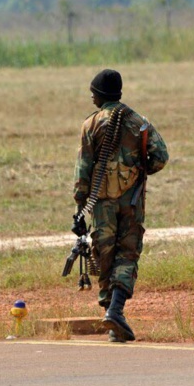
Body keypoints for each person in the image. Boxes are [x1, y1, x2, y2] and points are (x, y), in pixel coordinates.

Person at [72, 69, 169, 342]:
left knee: (105, 255)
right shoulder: (138, 121)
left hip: (101, 204)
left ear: (101, 95)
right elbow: (160, 157)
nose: (91, 99)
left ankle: (111, 314)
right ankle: (116, 313)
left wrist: (80, 209)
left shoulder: (91, 124)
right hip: (132, 201)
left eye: (93, 94)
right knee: (127, 254)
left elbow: (83, 171)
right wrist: (138, 172)